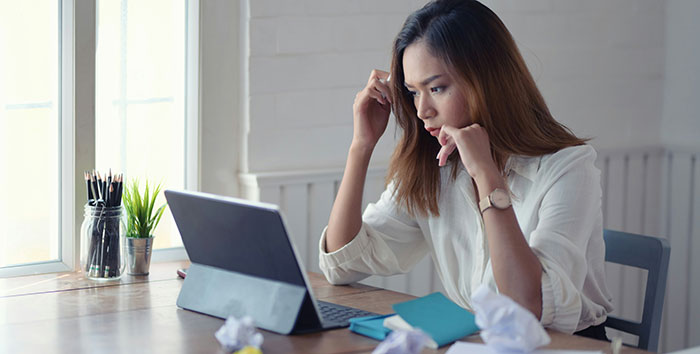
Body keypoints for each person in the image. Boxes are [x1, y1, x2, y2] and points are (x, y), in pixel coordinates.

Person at [318, 0, 613, 340]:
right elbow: (343, 266)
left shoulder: (569, 166)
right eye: (413, 92)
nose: (422, 110)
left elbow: (526, 306)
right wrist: (361, 146)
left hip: (563, 347)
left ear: (487, 80)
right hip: (476, 342)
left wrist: (486, 174)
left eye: (437, 88)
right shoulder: (434, 165)